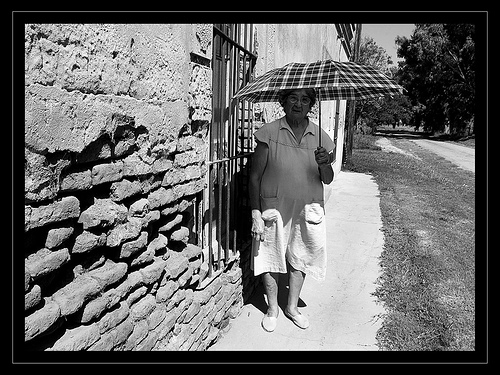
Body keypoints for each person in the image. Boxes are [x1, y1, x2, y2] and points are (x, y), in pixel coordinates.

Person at [249, 88, 335, 332]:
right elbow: (254, 177)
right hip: (274, 205)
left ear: (311, 105)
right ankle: (272, 308)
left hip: (307, 207)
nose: (299, 104)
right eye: (293, 98)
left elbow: (327, 179)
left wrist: (324, 164)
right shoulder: (269, 133)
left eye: (305, 99)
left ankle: (292, 308)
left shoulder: (320, 137)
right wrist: (255, 213)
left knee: (301, 256)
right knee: (269, 255)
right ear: (283, 102)